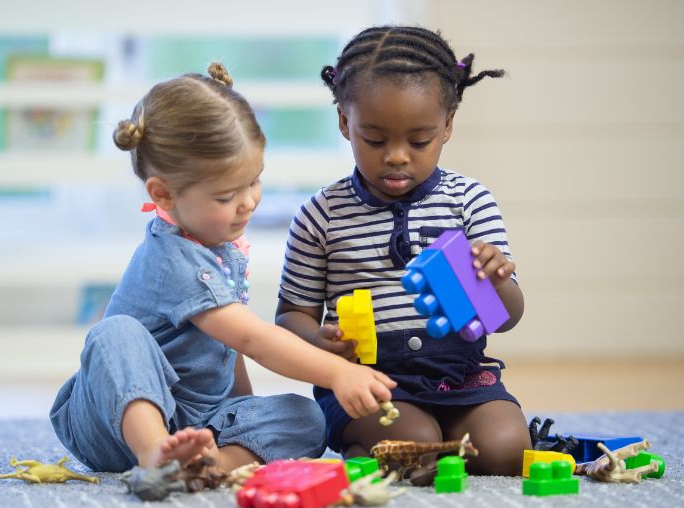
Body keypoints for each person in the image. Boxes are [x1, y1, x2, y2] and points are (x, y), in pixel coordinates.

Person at [50, 63, 396, 474]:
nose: (249, 202)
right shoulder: (172, 258)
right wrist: (338, 372)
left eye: (255, 181)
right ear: (163, 193)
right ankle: (155, 455)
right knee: (115, 333)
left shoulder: (220, 247)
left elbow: (228, 348)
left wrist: (243, 414)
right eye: (227, 195)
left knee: (308, 418)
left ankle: (210, 464)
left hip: (196, 420)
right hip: (112, 421)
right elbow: (253, 338)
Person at [275, 26, 532, 476]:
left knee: (507, 450)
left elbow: (506, 318)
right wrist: (320, 343)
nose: (396, 156)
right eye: (375, 140)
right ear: (343, 122)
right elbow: (290, 316)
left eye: (419, 141)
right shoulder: (321, 214)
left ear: (447, 125)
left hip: (461, 374)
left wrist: (495, 282)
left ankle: (434, 442)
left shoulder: (469, 200)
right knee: (417, 445)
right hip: (367, 381)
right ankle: (376, 443)